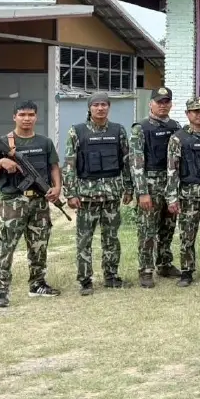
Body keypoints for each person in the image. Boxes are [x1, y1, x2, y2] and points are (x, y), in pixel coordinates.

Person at [0, 100, 62, 308]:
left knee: (39, 245)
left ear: (36, 117)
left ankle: (37, 284)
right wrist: (1, 162)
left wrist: (57, 187)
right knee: (6, 246)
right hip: (13, 202)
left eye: (31, 115)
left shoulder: (45, 142)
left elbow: (54, 166)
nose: (27, 119)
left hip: (39, 202)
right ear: (14, 117)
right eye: (22, 115)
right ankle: (1, 291)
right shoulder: (4, 143)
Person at [63, 92, 133, 296]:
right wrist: (70, 193)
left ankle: (111, 276)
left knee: (111, 238)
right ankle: (85, 280)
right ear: (89, 108)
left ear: (109, 107)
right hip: (86, 197)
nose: (100, 108)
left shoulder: (118, 130)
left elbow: (126, 162)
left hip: (112, 195)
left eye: (104, 104)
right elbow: (70, 164)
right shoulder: (77, 131)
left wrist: (129, 188)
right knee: (84, 240)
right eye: (96, 105)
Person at [167, 96, 200, 287]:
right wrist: (172, 197)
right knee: (187, 236)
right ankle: (187, 271)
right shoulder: (178, 138)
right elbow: (172, 170)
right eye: (196, 111)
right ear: (187, 114)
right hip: (189, 196)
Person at [129, 87, 180, 288]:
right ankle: (146, 270)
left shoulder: (176, 127)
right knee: (147, 230)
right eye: (159, 102)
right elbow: (136, 162)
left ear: (171, 104)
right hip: (150, 184)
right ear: (151, 103)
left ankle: (164, 263)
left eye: (166, 102)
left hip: (170, 185)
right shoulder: (140, 128)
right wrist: (142, 192)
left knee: (168, 227)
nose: (163, 105)